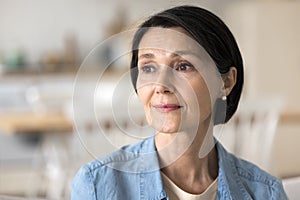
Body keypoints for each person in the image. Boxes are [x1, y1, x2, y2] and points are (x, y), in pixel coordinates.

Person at [71, 5, 287, 200]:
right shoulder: (96, 186)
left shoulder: (265, 193)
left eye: (183, 66)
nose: (161, 85)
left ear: (226, 81)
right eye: (148, 68)